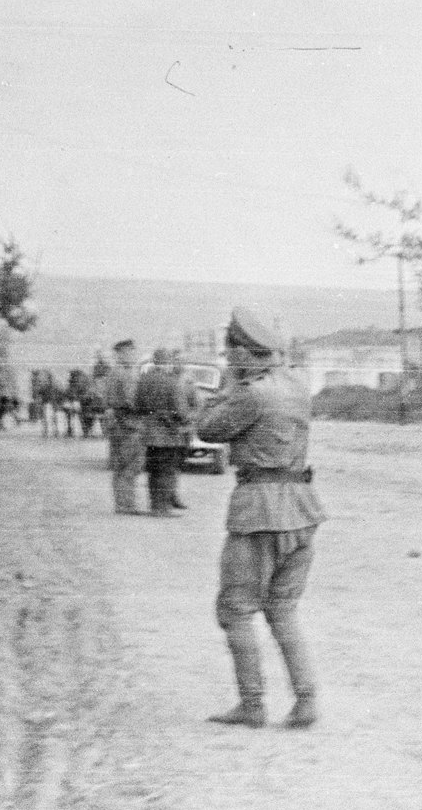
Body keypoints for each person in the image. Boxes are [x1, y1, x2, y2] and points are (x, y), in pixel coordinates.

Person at [195, 310, 325, 729]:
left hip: (259, 509)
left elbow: (208, 430)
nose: (229, 361)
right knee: (283, 609)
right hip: (301, 505)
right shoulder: (297, 387)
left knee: (235, 610)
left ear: (244, 354)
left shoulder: (251, 393)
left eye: (232, 355)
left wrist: (225, 389)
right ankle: (306, 700)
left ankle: (252, 706)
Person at [135, 348, 197, 516]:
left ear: (154, 361)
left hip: (149, 432)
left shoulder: (144, 379)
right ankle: (163, 508)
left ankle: (155, 506)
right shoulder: (172, 382)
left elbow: (138, 405)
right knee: (167, 470)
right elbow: (181, 411)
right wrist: (187, 420)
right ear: (168, 362)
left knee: (153, 469)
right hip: (168, 434)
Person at [104, 341, 145, 513]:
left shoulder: (114, 373)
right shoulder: (125, 374)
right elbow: (131, 400)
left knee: (122, 465)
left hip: (119, 424)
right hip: (128, 423)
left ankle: (122, 503)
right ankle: (126, 504)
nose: (134, 356)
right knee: (130, 465)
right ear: (121, 354)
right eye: (130, 353)